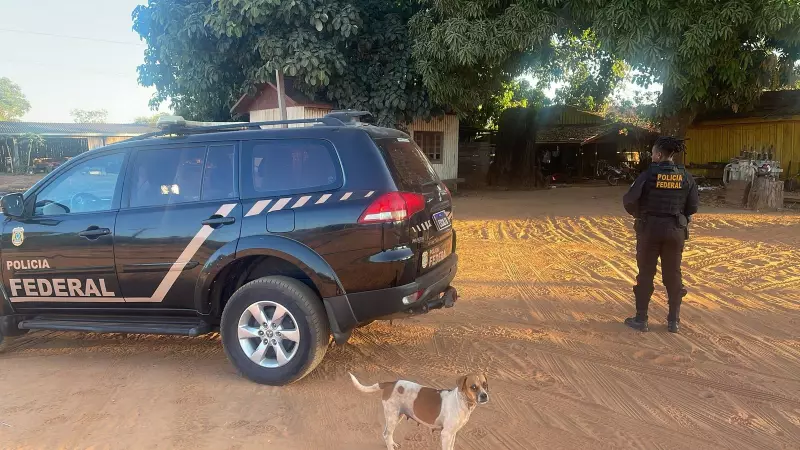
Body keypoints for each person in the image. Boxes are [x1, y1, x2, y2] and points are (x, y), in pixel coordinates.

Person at [622, 136, 699, 333]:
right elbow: (692, 207)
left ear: (658, 154)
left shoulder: (648, 175)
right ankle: (674, 321)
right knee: (673, 274)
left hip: (649, 230)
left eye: (652, 154)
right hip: (675, 230)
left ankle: (641, 319)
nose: (652, 157)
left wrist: (641, 214)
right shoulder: (685, 176)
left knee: (646, 273)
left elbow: (629, 201)